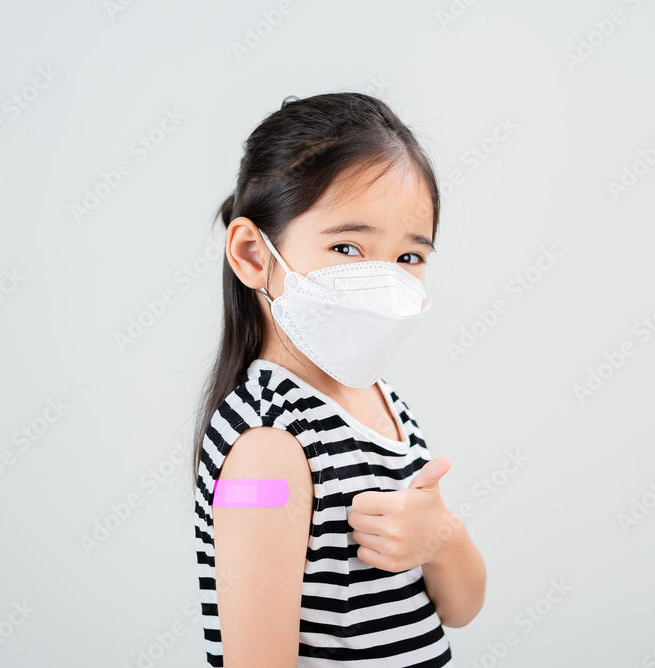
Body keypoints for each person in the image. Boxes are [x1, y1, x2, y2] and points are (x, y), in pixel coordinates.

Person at [191, 92, 486, 667]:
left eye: (408, 258)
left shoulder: (381, 402)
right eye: (348, 246)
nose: (383, 280)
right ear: (254, 254)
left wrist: (443, 537)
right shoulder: (265, 447)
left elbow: (461, 607)